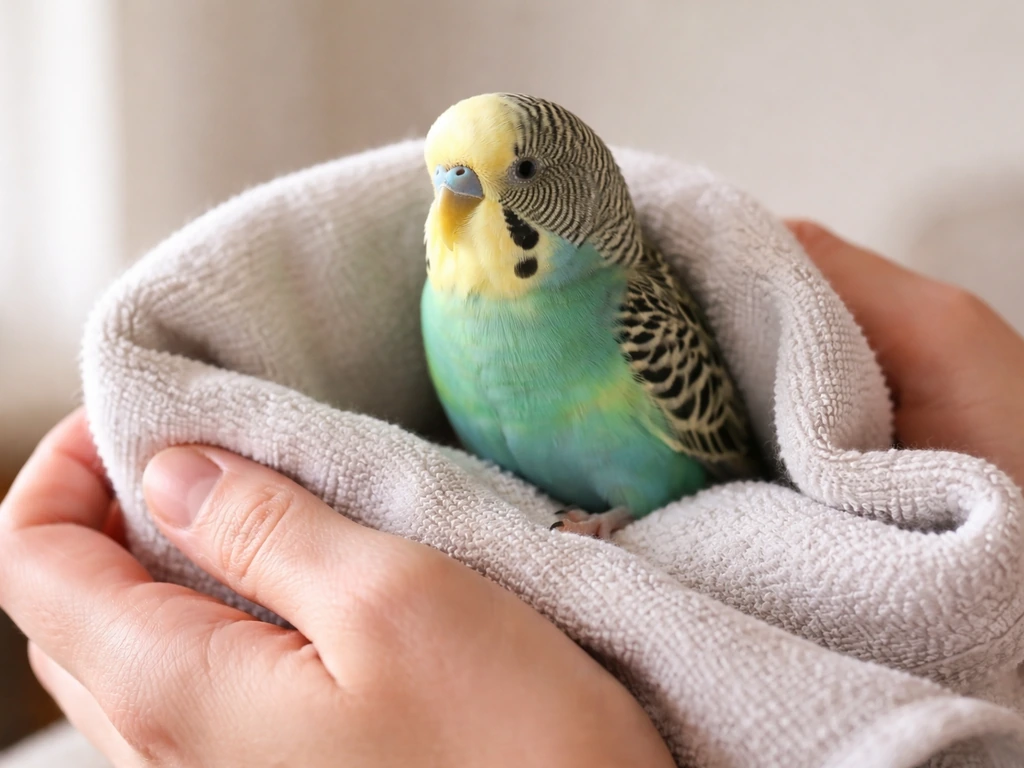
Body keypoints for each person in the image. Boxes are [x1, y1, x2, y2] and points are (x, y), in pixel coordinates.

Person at [1, 221, 1023, 766]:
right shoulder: (439, 304)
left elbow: (714, 457)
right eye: (455, 181)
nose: (466, 200)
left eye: (516, 181)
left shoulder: (632, 317)